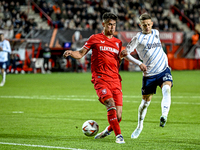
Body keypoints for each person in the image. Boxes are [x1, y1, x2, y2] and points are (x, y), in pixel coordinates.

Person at [63, 12, 127, 144]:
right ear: (103, 24)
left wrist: (121, 57)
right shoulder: (95, 38)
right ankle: (119, 136)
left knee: (118, 116)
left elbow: (117, 62)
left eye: (114, 25)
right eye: (109, 25)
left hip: (115, 80)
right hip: (100, 79)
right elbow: (81, 53)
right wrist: (71, 53)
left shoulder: (118, 42)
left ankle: (107, 131)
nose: (112, 27)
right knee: (110, 104)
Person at [123, 13, 173, 139]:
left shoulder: (156, 32)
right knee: (145, 103)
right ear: (140, 25)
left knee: (167, 89)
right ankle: (139, 126)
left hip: (163, 70)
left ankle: (164, 115)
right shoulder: (138, 38)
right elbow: (125, 53)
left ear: (152, 24)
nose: (147, 27)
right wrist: (139, 63)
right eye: (144, 25)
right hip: (149, 74)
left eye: (148, 24)